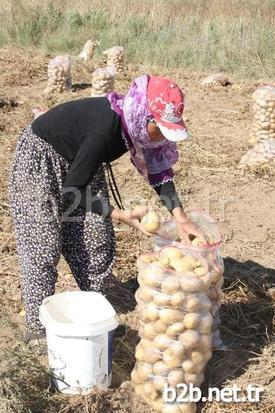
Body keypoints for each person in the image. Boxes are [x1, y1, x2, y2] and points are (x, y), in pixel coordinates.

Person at [9, 74, 206, 342]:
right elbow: (72, 190)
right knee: (42, 244)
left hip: (80, 160)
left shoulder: (136, 125)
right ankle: (37, 329)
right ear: (144, 116)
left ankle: (97, 314)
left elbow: (159, 173)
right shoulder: (105, 130)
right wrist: (121, 215)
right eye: (159, 128)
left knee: (94, 237)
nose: (161, 137)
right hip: (40, 160)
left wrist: (181, 218)